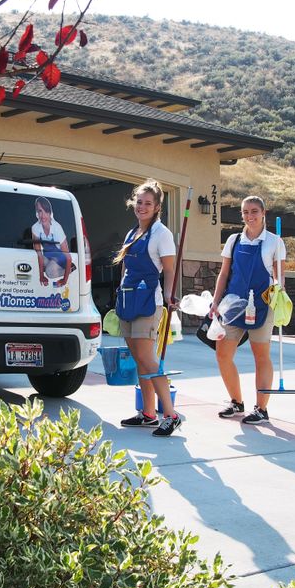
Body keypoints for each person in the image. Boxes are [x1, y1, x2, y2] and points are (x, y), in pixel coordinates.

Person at [209, 195, 286, 425]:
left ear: (264, 213)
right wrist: (215, 301)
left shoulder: (275, 242)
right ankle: (236, 402)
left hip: (262, 305)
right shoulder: (233, 240)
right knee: (222, 354)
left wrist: (279, 296)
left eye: (254, 211)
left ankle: (261, 409)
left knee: (260, 356)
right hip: (233, 305)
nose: (249, 216)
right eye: (245, 212)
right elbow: (224, 274)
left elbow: (279, 275)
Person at [114, 180, 182, 437]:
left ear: (156, 207)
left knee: (148, 359)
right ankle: (149, 414)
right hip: (128, 300)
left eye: (148, 203)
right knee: (140, 359)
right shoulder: (132, 234)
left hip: (148, 303)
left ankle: (171, 414)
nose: (142, 207)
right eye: (139, 202)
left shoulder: (161, 234)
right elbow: (125, 268)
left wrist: (168, 295)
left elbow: (170, 269)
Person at [31, 196, 73, 288]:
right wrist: (41, 276)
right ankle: (51, 266)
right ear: (37, 212)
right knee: (38, 263)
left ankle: (70, 269)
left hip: (61, 257)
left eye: (46, 211)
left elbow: (68, 257)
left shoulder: (57, 228)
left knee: (49, 272)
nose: (43, 215)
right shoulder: (35, 228)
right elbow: (39, 254)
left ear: (50, 212)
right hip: (49, 256)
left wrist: (64, 280)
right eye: (40, 211)